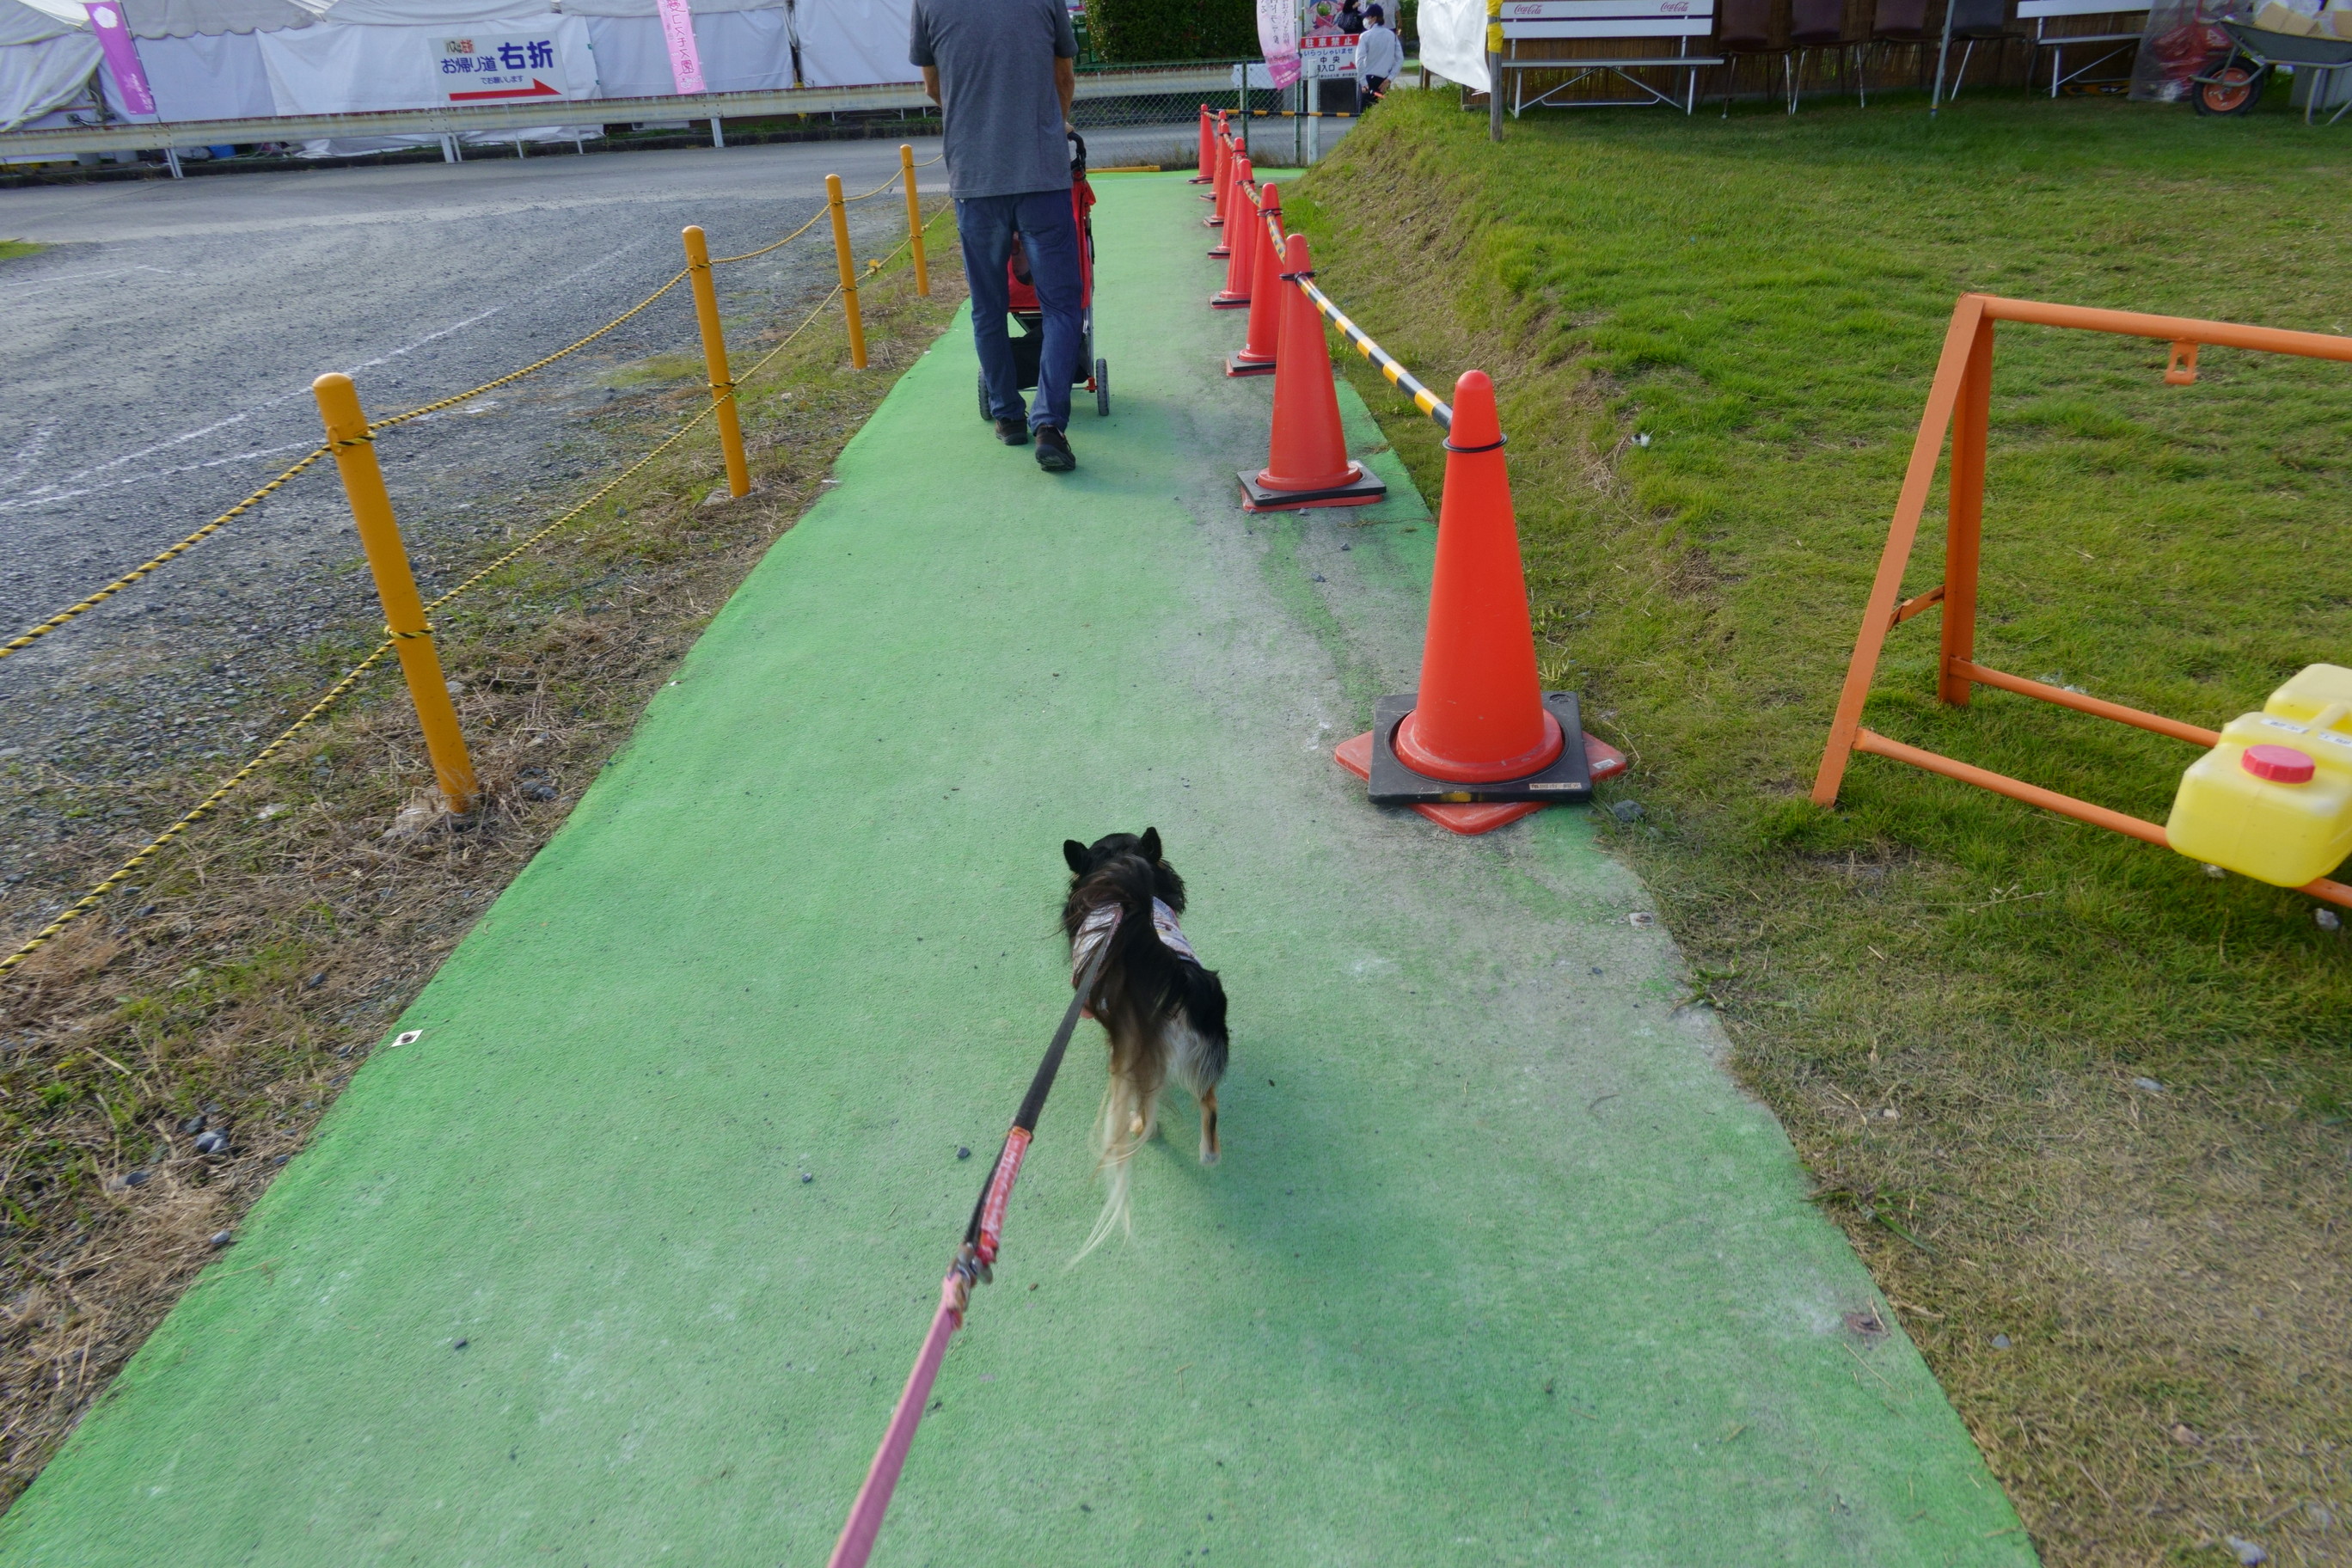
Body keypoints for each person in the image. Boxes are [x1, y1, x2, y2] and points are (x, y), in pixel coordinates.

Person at [910, 0, 1083, 473]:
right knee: (1062, 305)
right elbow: (1064, 77)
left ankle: (1008, 415)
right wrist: (1052, 123)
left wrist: (978, 113)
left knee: (989, 306)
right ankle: (1050, 426)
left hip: (975, 177)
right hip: (1042, 177)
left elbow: (932, 85)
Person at [1357, 3, 1402, 100]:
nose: (1365, 20)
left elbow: (1359, 60)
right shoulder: (1392, 35)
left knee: (1366, 113)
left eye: (1367, 17)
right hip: (1384, 81)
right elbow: (1400, 59)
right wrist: (1390, 79)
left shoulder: (1365, 36)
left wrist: (1363, 82)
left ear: (1374, 18)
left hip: (1368, 80)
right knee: (1383, 113)